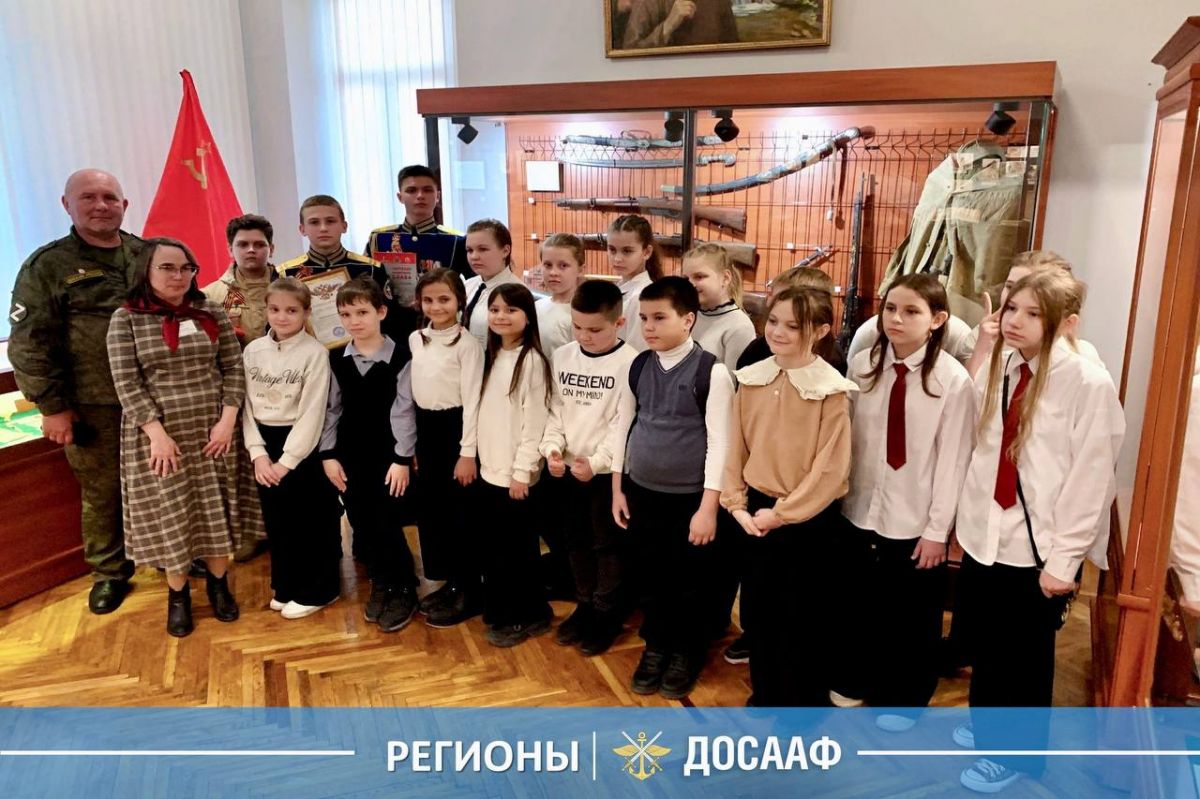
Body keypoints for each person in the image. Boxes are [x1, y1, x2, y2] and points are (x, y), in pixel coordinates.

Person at [954, 270, 1123, 793]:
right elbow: (978, 439)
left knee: (1024, 660)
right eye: (1012, 309)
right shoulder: (1005, 364)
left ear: (1066, 323)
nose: (1016, 321)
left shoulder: (1087, 382)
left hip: (1036, 546)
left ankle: (1018, 758)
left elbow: (1091, 478)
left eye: (1033, 314)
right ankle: (989, 737)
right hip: (985, 534)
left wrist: (1065, 561)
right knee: (987, 649)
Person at [105, 237, 263, 637]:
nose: (178, 276)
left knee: (216, 509)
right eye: (167, 268)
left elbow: (233, 366)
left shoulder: (210, 310)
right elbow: (126, 382)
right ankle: (177, 596)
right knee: (175, 513)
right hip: (160, 436)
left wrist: (228, 420)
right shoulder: (126, 319)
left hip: (214, 431)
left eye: (186, 268)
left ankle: (218, 585)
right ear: (146, 271)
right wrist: (156, 433)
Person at [9, 169, 144, 614]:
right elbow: (30, 342)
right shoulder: (47, 266)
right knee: (102, 491)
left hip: (155, 395)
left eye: (110, 197)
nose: (101, 205)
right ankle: (109, 572)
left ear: (124, 205)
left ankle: (171, 553)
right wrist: (52, 406)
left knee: (163, 478)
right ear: (67, 205)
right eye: (88, 197)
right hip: (93, 402)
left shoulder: (148, 254)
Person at [842, 274, 975, 729]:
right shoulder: (863, 364)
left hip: (915, 516)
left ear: (937, 319)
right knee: (860, 603)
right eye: (891, 308)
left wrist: (938, 530)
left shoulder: (952, 380)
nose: (896, 319)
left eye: (911, 311)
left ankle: (904, 696)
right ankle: (856, 676)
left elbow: (953, 460)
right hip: (860, 507)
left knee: (913, 613)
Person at [721, 286, 855, 706]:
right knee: (760, 611)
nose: (777, 331)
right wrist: (736, 504)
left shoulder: (830, 389)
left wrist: (783, 514)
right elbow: (735, 447)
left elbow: (830, 468)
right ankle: (766, 691)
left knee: (802, 616)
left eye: (793, 326)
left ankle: (800, 704)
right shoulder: (752, 378)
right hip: (755, 513)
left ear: (820, 330)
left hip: (807, 519)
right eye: (774, 321)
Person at [612, 276, 734, 699]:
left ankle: (686, 650)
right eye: (644, 318)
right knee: (652, 575)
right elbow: (623, 426)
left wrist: (708, 507)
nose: (648, 327)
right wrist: (617, 487)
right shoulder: (638, 366)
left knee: (690, 581)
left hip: (690, 500)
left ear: (687, 319)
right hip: (642, 492)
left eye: (659, 318)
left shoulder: (711, 372)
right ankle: (657, 645)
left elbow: (720, 443)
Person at [540, 279, 639, 655]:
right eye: (577, 327)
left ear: (619, 323)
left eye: (595, 329)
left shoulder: (631, 363)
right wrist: (552, 449)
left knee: (606, 545)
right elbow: (555, 410)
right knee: (574, 540)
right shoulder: (563, 356)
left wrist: (596, 462)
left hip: (606, 475)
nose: (584, 336)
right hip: (567, 470)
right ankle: (584, 605)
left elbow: (623, 424)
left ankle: (606, 613)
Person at [318, 278, 420, 633]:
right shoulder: (336, 359)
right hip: (349, 456)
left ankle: (403, 586)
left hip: (388, 457)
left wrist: (402, 458)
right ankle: (381, 580)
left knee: (387, 520)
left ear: (381, 312)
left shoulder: (402, 358)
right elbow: (332, 409)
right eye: (346, 314)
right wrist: (328, 454)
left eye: (362, 312)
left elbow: (405, 411)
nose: (354, 321)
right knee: (361, 519)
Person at [241, 278, 342, 619]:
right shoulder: (253, 351)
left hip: (301, 447)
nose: (282, 317)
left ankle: (321, 589)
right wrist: (257, 453)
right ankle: (287, 584)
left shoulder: (315, 353)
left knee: (310, 520)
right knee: (278, 521)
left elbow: (312, 411)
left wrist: (287, 461)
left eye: (291, 310)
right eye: (274, 309)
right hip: (264, 446)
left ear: (306, 312)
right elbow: (246, 406)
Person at [406, 268, 485, 628]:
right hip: (427, 431)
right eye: (428, 300)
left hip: (456, 431)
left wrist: (467, 453)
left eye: (444, 299)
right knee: (434, 511)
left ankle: (470, 589)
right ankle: (450, 581)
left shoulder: (468, 345)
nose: (436, 307)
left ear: (459, 301)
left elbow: (473, 401)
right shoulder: (416, 339)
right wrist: (415, 445)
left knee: (461, 514)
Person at [476, 283, 554, 647]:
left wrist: (522, 472)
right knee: (496, 550)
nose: (501, 316)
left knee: (518, 552)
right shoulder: (492, 356)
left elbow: (534, 424)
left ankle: (528, 614)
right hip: (490, 471)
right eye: (495, 310)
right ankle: (503, 610)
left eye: (511, 310)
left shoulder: (532, 361)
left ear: (528, 316)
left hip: (515, 477)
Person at [278, 194, 416, 342]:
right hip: (307, 351)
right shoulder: (286, 274)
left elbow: (390, 318)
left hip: (363, 351)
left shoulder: (370, 269)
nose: (323, 228)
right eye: (314, 222)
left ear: (344, 226)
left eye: (330, 221)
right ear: (302, 229)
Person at [962, 250, 1106, 379]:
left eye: (1033, 313)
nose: (1015, 295)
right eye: (1010, 287)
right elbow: (970, 395)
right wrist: (982, 346)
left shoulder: (1083, 358)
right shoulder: (982, 333)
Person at [364, 165, 472, 281]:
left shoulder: (456, 241)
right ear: (400, 197)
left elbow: (476, 283)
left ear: (438, 196)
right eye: (411, 190)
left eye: (427, 190)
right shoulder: (379, 239)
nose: (420, 196)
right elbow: (364, 283)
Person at [737, 266, 846, 374]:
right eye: (772, 295)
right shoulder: (756, 350)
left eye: (793, 326)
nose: (769, 300)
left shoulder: (832, 358)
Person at [203, 214, 276, 347]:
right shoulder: (209, 296)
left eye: (259, 245)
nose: (251, 250)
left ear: (271, 250)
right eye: (243, 245)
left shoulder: (291, 290)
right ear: (230, 250)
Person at [685, 242, 756, 373]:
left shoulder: (740, 326)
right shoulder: (688, 315)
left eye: (699, 277)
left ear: (725, 278)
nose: (690, 284)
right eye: (686, 278)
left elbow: (733, 381)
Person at [607, 214, 663, 352]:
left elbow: (636, 352)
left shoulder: (640, 297)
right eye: (612, 250)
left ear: (647, 252)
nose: (617, 258)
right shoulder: (620, 287)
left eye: (627, 251)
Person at [462, 219, 522, 343]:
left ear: (505, 251)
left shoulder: (517, 293)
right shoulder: (467, 285)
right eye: (469, 250)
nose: (474, 256)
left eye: (483, 249)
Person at [534, 233, 585, 358]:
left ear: (580, 270)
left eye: (563, 266)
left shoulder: (584, 314)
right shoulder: (535, 307)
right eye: (548, 265)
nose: (553, 272)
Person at [622, 0, 737, 49]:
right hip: (662, 83)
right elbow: (628, 54)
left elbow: (733, 48)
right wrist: (667, 26)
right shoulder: (647, 3)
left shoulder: (719, 2)